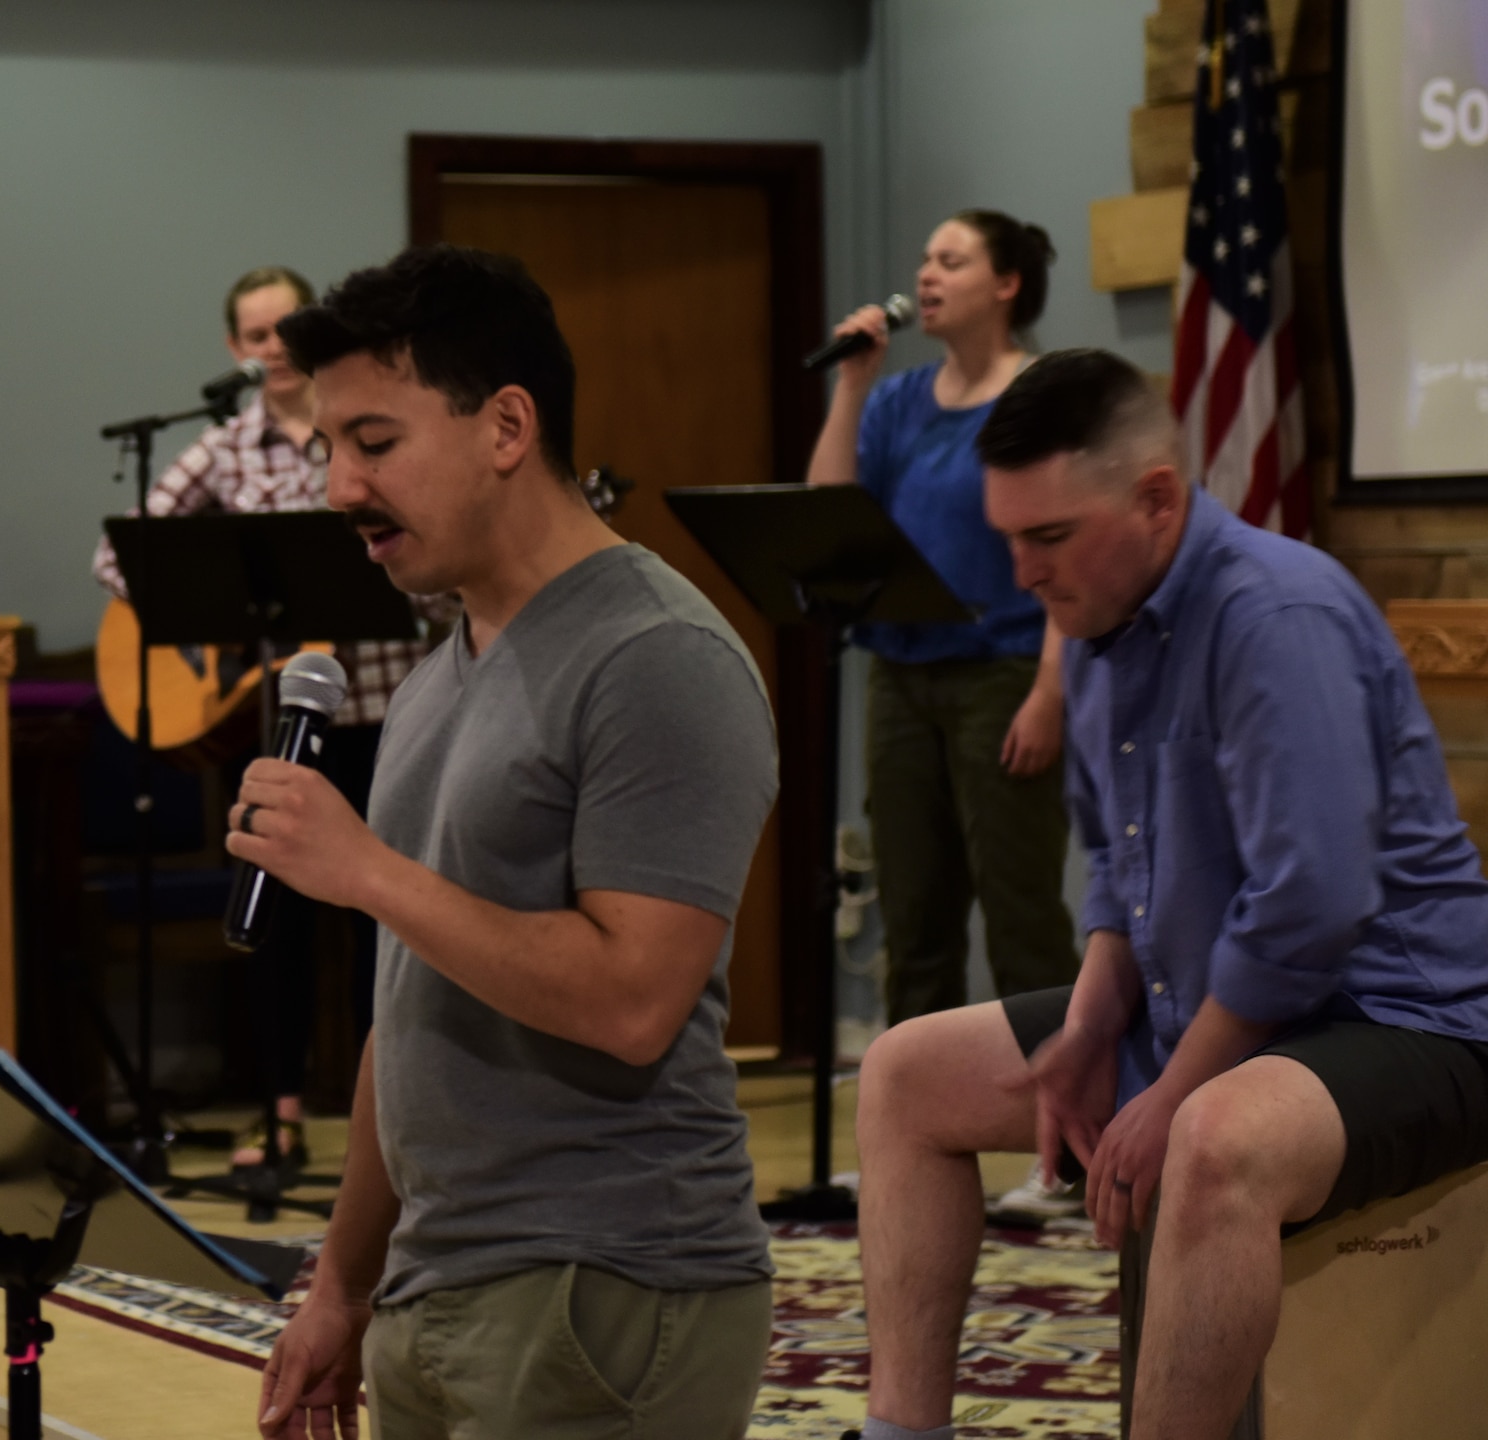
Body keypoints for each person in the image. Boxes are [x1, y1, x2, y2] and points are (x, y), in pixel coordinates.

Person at [848, 349, 1488, 1440]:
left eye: (1046, 537)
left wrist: (1172, 1083)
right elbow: (1119, 870)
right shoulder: (1098, 625)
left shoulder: (1272, 615)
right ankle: (902, 1433)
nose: (1022, 575)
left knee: (1208, 1135)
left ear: (1152, 498)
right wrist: (1092, 1029)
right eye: (1010, 538)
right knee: (905, 1073)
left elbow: (1312, 905)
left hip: (1402, 1017)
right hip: (1220, 1003)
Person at [229, 245, 780, 1439]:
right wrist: (340, 1286)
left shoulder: (654, 658)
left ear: (506, 426)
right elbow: (407, 1010)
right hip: (438, 1292)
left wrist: (368, 872)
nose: (338, 487)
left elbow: (634, 997)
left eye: (373, 444)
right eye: (330, 449)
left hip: (606, 1286)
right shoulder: (440, 676)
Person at [94, 265, 426, 1167]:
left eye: (286, 330)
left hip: (384, 711)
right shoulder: (228, 447)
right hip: (282, 717)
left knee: (376, 925)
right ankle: (280, 1114)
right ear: (233, 350)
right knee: (275, 920)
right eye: (253, 335)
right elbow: (124, 555)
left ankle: (381, 1122)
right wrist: (221, 641)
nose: (271, 349)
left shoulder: (361, 433)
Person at [805, 210, 1079, 1028]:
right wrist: (851, 386)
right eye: (924, 259)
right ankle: (919, 1132)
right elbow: (830, 513)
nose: (926, 275)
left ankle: (1068, 1143)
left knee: (1022, 920)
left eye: (950, 261)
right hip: (901, 676)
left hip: (1004, 675)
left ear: (1006, 284)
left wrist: (1050, 693)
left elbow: (1065, 553)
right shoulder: (894, 402)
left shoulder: (1041, 397)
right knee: (916, 925)